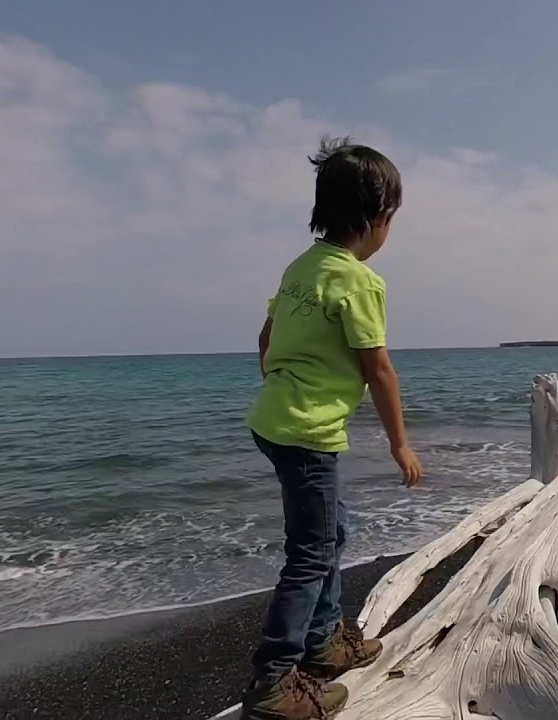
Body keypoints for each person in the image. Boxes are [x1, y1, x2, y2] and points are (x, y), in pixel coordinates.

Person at [241, 136, 423, 719]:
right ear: (376, 220)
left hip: (273, 423)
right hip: (308, 436)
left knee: (331, 532)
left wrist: (283, 386)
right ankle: (272, 685)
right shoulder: (360, 281)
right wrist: (400, 443)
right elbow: (379, 369)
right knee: (311, 554)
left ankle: (323, 644)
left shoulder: (301, 268)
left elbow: (265, 340)